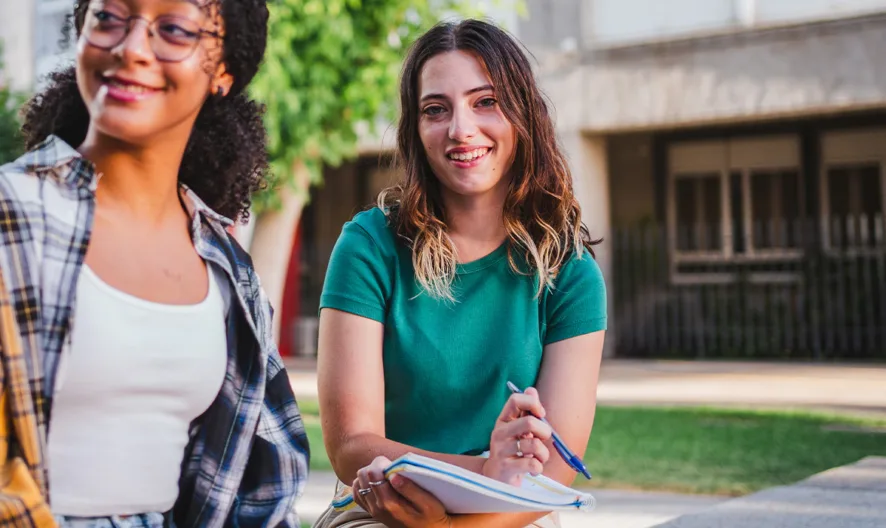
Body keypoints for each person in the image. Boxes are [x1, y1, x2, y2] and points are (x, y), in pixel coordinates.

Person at [0, 0, 309, 526]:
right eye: (107, 18)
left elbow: (262, 491)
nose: (131, 48)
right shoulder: (13, 215)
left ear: (224, 71)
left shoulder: (229, 272)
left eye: (173, 29)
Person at [314, 19, 607, 528]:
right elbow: (351, 446)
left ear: (523, 116)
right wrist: (485, 471)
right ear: (416, 128)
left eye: (485, 102)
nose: (460, 129)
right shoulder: (368, 247)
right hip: (384, 510)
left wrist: (453, 527)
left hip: (511, 516)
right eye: (436, 109)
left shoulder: (571, 273)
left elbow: (555, 473)